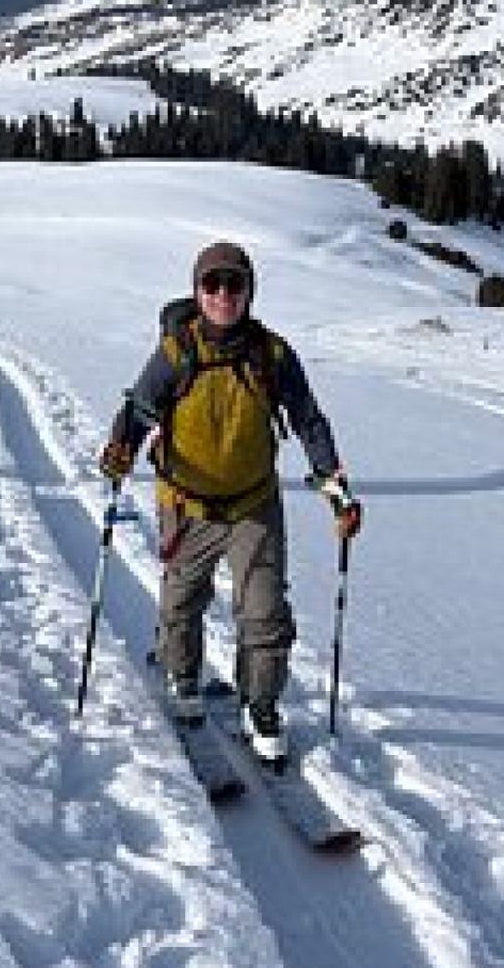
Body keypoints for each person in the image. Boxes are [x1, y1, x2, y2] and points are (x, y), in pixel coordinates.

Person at [99, 239, 362, 763]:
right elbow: (139, 408)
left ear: (249, 292)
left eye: (233, 284)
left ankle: (260, 704)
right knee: (181, 602)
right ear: (197, 291)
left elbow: (307, 419)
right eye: (212, 284)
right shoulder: (178, 351)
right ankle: (182, 676)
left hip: (253, 504)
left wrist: (333, 482)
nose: (223, 294)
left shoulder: (272, 354)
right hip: (187, 503)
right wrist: (120, 447)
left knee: (264, 612)